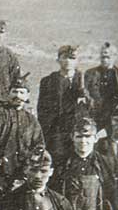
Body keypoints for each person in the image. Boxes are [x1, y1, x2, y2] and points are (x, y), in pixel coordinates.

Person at [0, 73, 45, 195]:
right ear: (8, 93)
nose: (18, 96)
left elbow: (39, 147)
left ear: (27, 95)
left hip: (23, 174)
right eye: (14, 91)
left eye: (22, 92)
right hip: (0, 173)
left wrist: (25, 173)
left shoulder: (31, 120)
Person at [38, 45, 90, 173]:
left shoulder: (85, 80)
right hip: (56, 132)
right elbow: (42, 109)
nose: (68, 61)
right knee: (57, 166)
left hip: (77, 131)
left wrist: (84, 93)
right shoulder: (48, 81)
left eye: (72, 58)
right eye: (65, 57)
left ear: (77, 61)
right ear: (58, 60)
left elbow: (93, 106)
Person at [85, 42, 118, 133]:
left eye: (108, 57)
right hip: (95, 115)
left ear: (115, 56)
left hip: (115, 117)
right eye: (102, 57)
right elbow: (85, 91)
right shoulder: (90, 74)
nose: (104, 60)